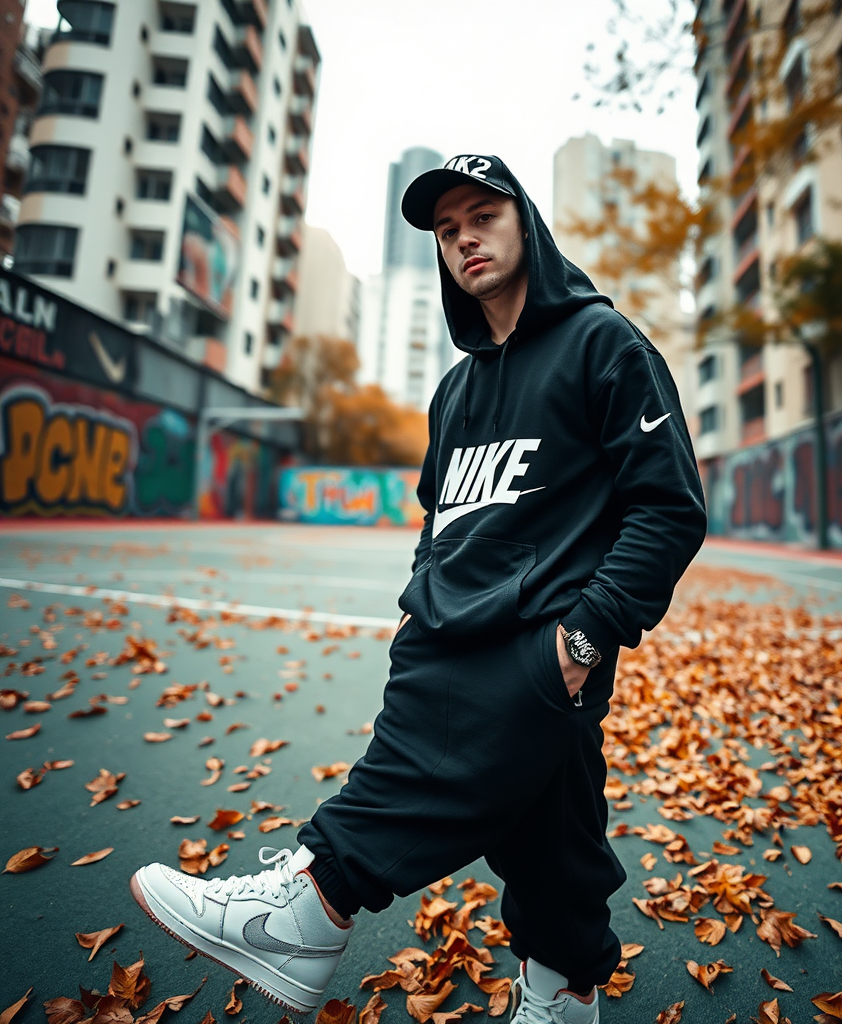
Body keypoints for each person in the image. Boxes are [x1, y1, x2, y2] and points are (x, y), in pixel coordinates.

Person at [130, 154, 707, 1022]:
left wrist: (585, 638)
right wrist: (423, 595)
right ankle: (564, 989)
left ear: (526, 224)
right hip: (442, 638)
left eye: (483, 217)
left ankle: (311, 905)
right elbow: (439, 518)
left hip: (540, 641)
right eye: (446, 231)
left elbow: (668, 507)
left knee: (420, 782)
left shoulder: (604, 344)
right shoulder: (455, 390)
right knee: (552, 823)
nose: (465, 239)